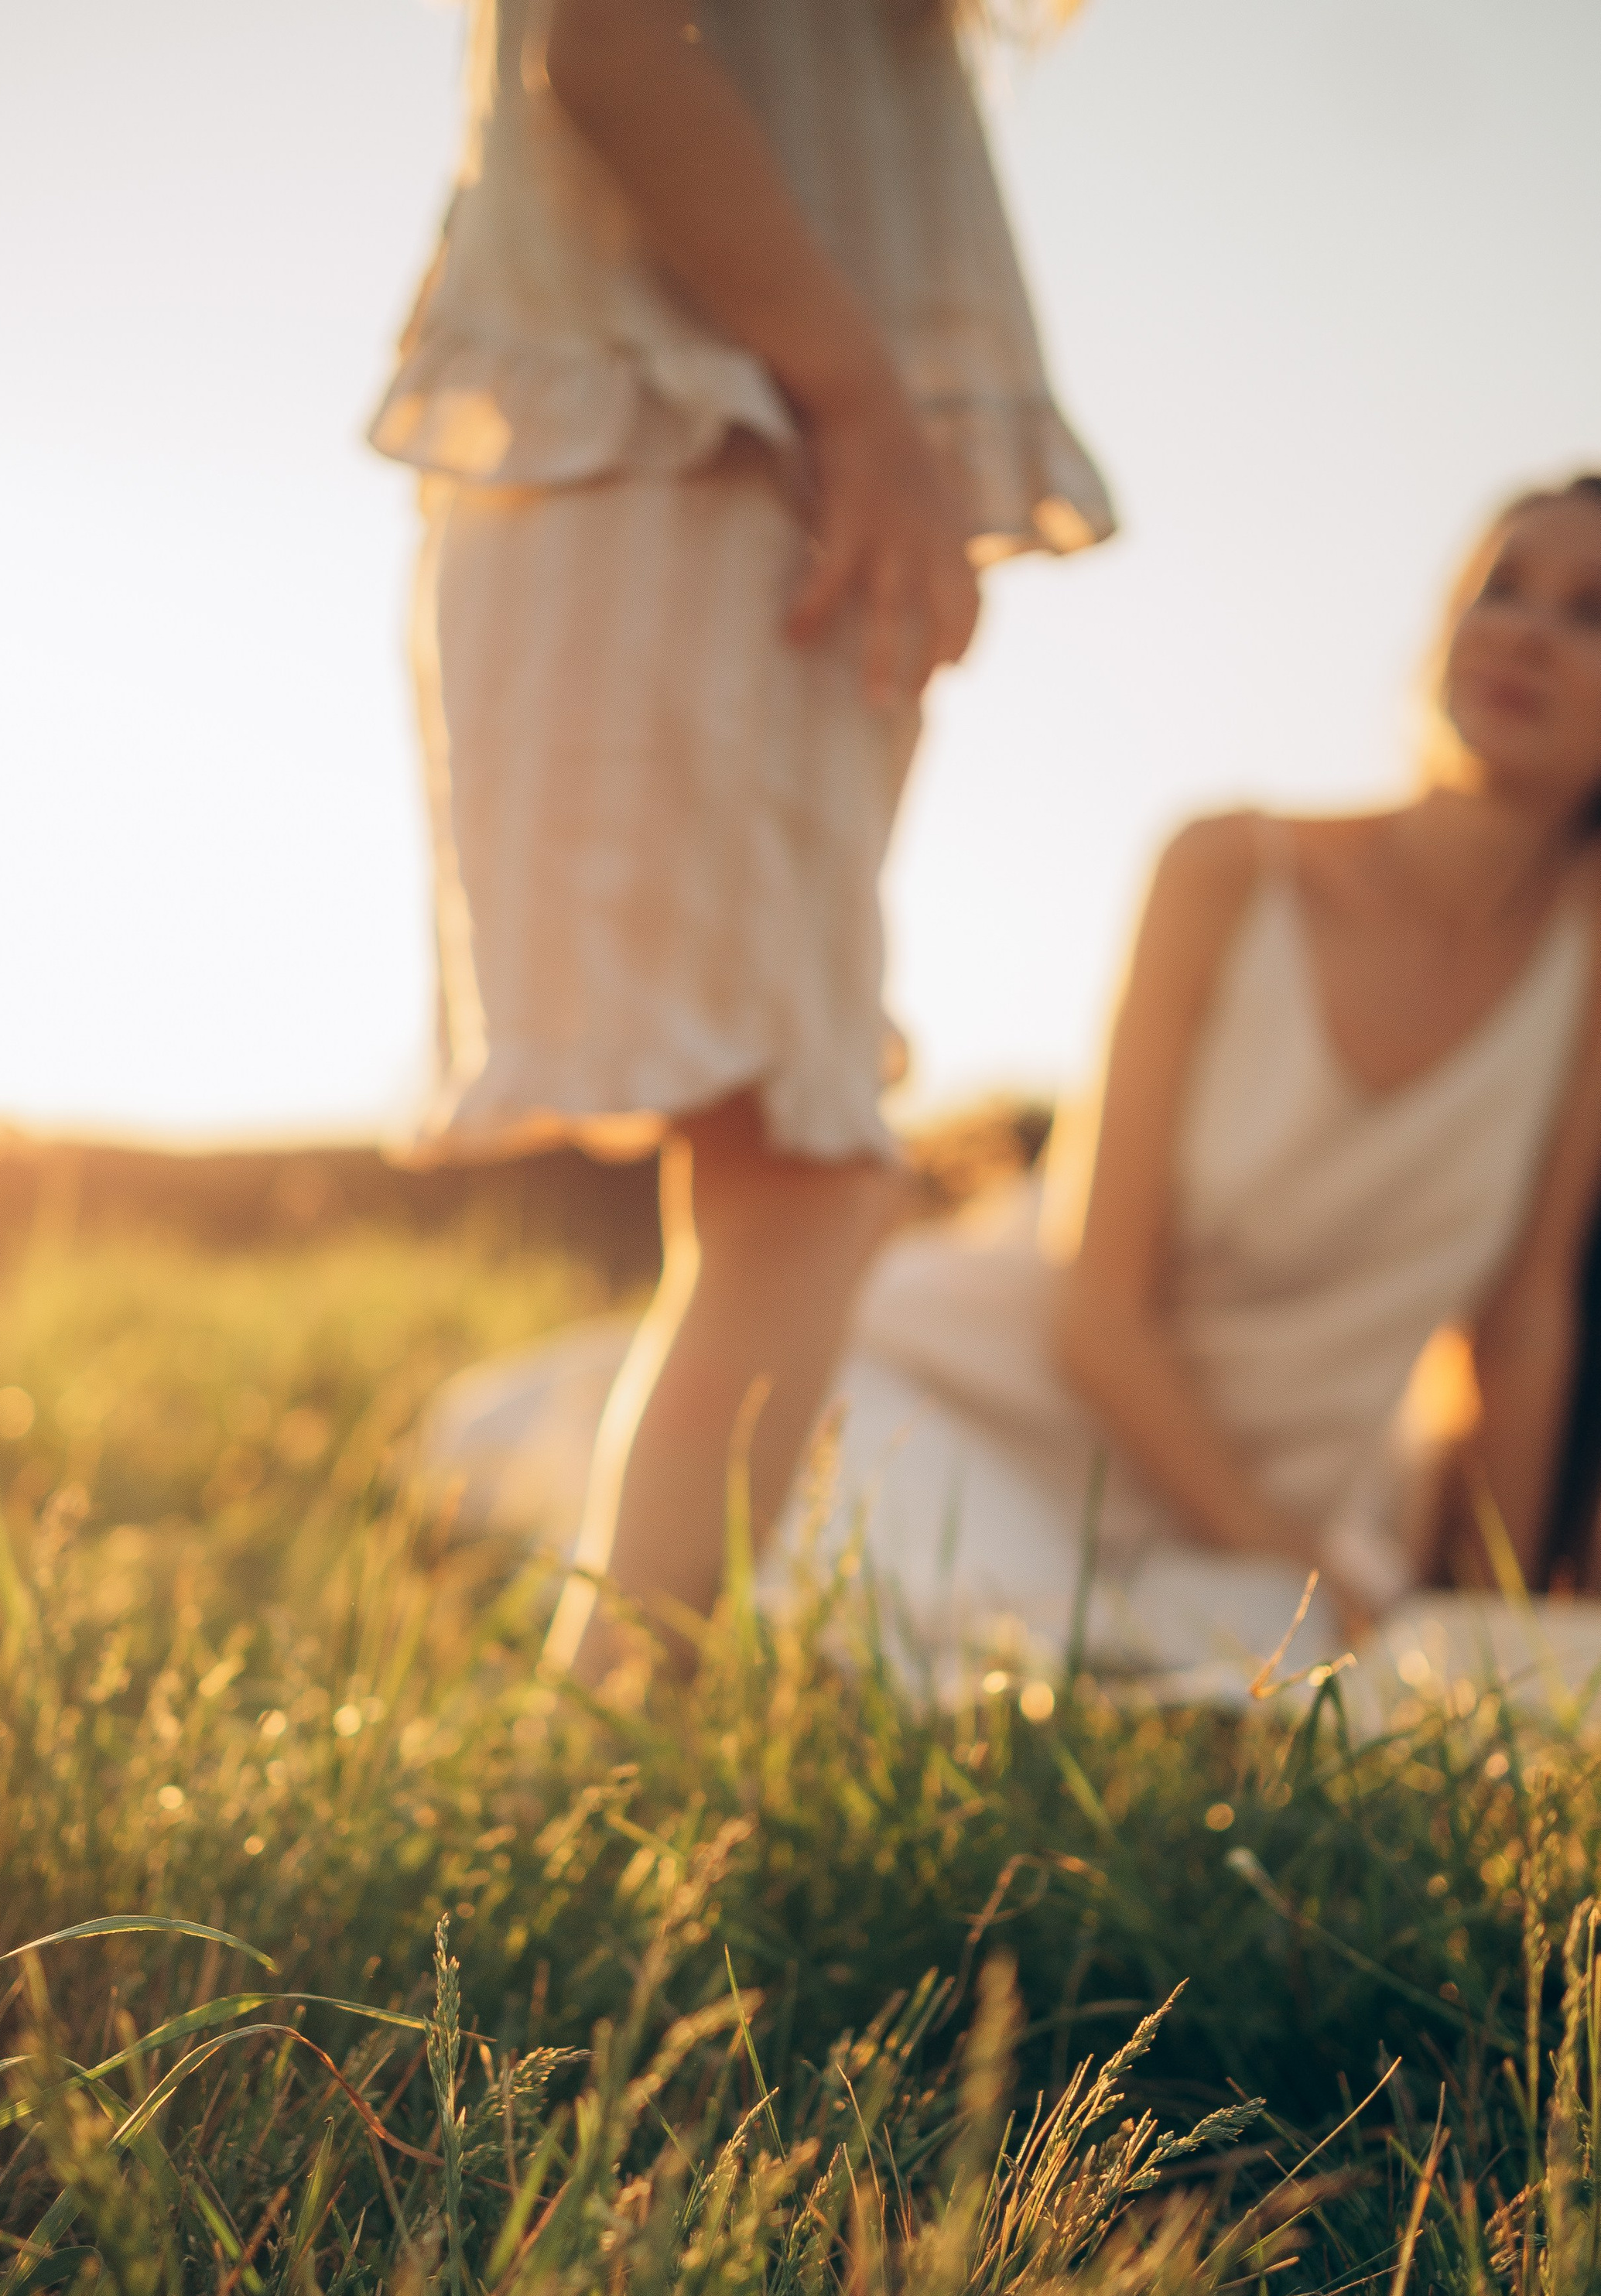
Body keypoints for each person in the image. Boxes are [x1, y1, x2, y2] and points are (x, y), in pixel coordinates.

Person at [426, 475, 1601, 1696]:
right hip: (994, 1399)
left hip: (1271, 1504)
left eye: (1589, 611)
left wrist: (1480, 1620)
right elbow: (1098, 1305)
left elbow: (1519, 1325)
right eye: (1500, 588)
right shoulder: (1229, 867)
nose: (1523, 631)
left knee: (1265, 1673)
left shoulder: (1587, 971)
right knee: (919, 1610)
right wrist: (1284, 1553)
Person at [370, 0, 1113, 1681]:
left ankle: (610, 1717)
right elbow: (612, 41)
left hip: (740, 466)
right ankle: (603, 1741)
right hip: (700, 452)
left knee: (791, 1156)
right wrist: (860, 409)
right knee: (800, 1159)